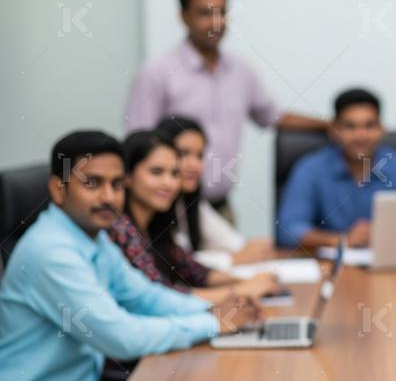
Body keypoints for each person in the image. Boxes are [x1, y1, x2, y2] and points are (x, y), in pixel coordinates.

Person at [0, 131, 260, 381]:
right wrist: (212, 323)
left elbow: (144, 296)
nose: (109, 197)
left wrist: (213, 310)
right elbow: (121, 337)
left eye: (117, 185)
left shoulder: (93, 236)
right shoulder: (51, 252)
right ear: (58, 190)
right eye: (92, 183)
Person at [125, 0, 328, 222]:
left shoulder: (240, 70)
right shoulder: (157, 72)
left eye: (221, 12)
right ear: (183, 17)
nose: (216, 22)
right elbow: (138, 143)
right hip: (170, 212)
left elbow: (271, 116)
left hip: (220, 208)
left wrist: (328, 125)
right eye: (204, 13)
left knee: (239, 257)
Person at [109, 131, 281, 305]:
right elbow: (161, 297)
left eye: (174, 174)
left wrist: (252, 283)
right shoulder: (121, 229)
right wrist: (241, 291)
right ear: (127, 176)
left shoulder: (155, 226)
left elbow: (196, 272)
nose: (168, 183)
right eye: (156, 172)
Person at [277, 89, 396, 249]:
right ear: (334, 130)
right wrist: (340, 239)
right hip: (331, 268)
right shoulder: (310, 169)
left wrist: (390, 234)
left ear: (382, 129)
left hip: (391, 266)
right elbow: (288, 231)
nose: (360, 135)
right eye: (350, 126)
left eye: (369, 125)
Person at [155, 116, 273, 270]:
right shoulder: (156, 203)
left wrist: (247, 251)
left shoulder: (189, 200)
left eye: (199, 156)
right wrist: (231, 259)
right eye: (184, 154)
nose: (194, 165)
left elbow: (234, 243)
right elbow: (175, 262)